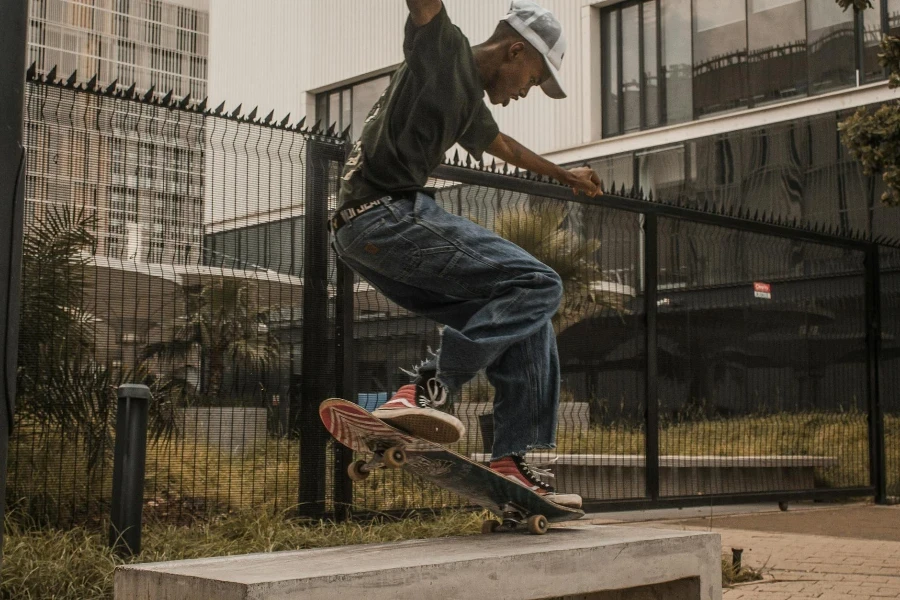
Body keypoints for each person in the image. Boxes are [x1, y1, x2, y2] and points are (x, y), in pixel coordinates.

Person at [329, 0, 602, 509]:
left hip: (364, 238)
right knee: (540, 283)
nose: (524, 92)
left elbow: (508, 148)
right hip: (386, 217)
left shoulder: (468, 104)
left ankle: (519, 462)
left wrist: (567, 177)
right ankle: (430, 388)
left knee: (530, 321)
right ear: (515, 49)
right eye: (532, 78)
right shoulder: (444, 48)